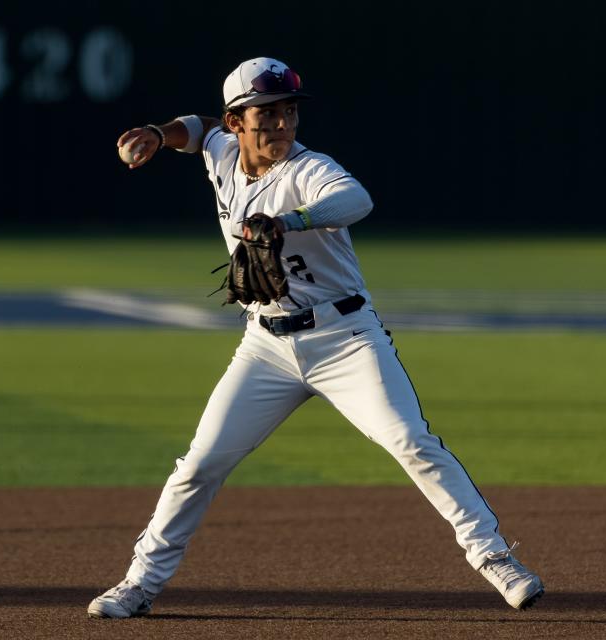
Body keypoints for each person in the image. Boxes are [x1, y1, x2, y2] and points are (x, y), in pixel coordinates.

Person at [88, 57, 544, 619]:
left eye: (288, 113)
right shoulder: (221, 151)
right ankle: (139, 583)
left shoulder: (308, 170)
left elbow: (357, 200)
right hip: (265, 348)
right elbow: (199, 128)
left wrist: (290, 221)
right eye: (267, 114)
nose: (281, 124)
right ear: (238, 123)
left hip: (347, 338)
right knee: (199, 464)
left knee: (411, 442)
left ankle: (494, 556)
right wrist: (160, 134)